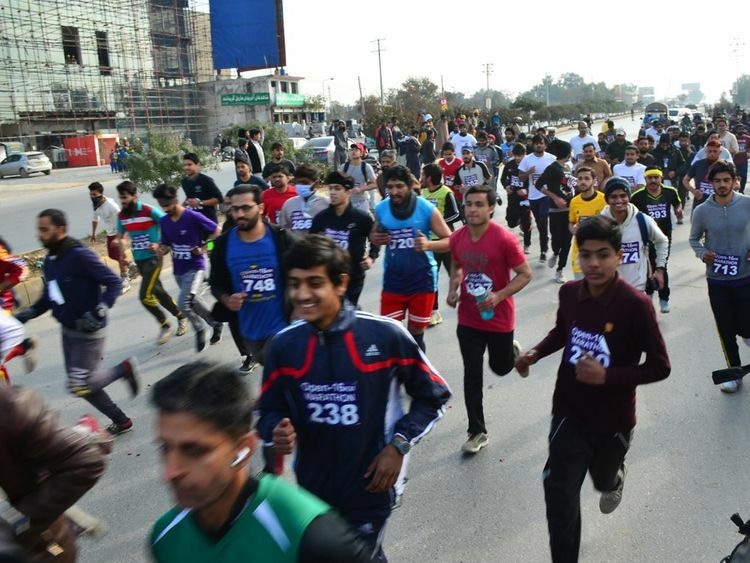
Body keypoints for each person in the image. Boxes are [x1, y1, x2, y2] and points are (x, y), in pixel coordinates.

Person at [257, 235, 451, 560]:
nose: (302, 294)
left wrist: (398, 446)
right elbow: (268, 410)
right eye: (294, 284)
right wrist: (275, 428)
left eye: (314, 283)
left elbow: (434, 397)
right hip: (312, 489)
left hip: (373, 486)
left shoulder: (384, 335)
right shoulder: (282, 347)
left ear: (341, 283)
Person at [514, 215, 671, 563]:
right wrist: (536, 353)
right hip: (568, 409)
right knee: (559, 494)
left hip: (612, 418)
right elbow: (563, 332)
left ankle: (614, 477)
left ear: (618, 256)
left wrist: (607, 377)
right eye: (586, 255)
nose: (594, 263)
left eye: (603, 254)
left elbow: (661, 366)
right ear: (578, 256)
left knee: (601, 481)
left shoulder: (635, 305)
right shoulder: (569, 293)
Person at [150, 361, 372, 562]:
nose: (170, 472)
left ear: (243, 449)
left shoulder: (311, 538)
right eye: (165, 447)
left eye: (195, 451)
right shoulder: (165, 538)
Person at [15, 209, 140, 435]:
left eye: (45, 229)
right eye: (39, 230)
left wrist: (101, 310)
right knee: (82, 385)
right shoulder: (50, 260)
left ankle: (124, 369)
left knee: (80, 384)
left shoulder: (80, 255)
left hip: (90, 329)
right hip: (68, 331)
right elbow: (50, 296)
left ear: (60, 230)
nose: (39, 235)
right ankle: (121, 421)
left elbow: (113, 282)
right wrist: (29, 312)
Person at [447, 185, 532, 454]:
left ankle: (511, 352)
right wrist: (452, 288)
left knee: (500, 367)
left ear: (491, 207)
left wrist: (498, 296)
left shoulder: (504, 239)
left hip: (498, 318)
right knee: (472, 373)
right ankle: (477, 431)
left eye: (479, 204)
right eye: (468, 204)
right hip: (469, 319)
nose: (472, 209)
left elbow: (524, 274)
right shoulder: (458, 237)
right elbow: (456, 263)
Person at [0, 384, 108, 562]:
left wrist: (14, 524)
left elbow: (85, 461)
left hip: (34, 552)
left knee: (81, 380)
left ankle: (86, 431)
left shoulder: (9, 405)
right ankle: (85, 431)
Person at [209, 184, 293, 368]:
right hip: (249, 333)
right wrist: (227, 299)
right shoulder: (223, 245)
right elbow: (216, 282)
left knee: (283, 375)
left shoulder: (281, 238)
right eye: (235, 209)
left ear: (261, 208)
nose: (239, 214)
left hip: (283, 328)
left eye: (246, 208)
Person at [370, 165, 452, 352]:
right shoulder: (382, 208)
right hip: (393, 281)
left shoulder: (426, 208)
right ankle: (396, 375)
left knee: (415, 336)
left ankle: (418, 375)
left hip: (422, 281)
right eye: (390, 187)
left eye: (399, 186)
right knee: (391, 333)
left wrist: (429, 245)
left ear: (408, 186)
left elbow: (450, 241)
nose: (394, 191)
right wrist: (375, 238)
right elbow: (374, 234)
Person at [689, 160, 750, 393]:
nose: (722, 185)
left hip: (746, 277)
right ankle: (734, 374)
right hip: (718, 280)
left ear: (735, 181)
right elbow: (694, 239)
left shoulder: (746, 204)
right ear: (710, 183)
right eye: (717, 181)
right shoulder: (702, 211)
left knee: (746, 327)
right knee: (725, 329)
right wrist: (703, 254)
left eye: (727, 180)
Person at [153, 184, 223, 352]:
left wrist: (206, 248)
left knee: (184, 303)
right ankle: (215, 323)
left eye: (168, 204)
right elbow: (167, 245)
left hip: (195, 266)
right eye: (162, 205)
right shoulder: (164, 221)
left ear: (176, 200)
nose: (166, 208)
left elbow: (217, 231)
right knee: (194, 301)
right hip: (179, 270)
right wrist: (160, 249)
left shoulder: (193, 217)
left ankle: (199, 329)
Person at [115, 181, 185, 345]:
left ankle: (164, 324)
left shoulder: (148, 210)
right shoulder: (122, 216)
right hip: (139, 259)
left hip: (154, 258)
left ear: (134, 196)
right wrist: (122, 255)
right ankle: (181, 316)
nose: (123, 201)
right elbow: (120, 237)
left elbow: (168, 222)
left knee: (144, 296)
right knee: (158, 292)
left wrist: (160, 243)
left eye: (125, 197)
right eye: (121, 198)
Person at [310, 171, 378, 306]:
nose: (333, 192)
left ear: (348, 191)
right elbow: (311, 244)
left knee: (347, 311)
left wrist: (371, 257)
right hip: (328, 276)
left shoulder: (361, 218)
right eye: (331, 188)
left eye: (337, 188)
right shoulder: (321, 218)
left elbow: (375, 238)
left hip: (354, 276)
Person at [600, 178, 668, 292]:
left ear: (628, 197)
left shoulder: (643, 221)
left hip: (638, 289)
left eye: (623, 195)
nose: (619, 200)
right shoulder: (599, 224)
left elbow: (662, 241)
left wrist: (660, 269)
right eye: (613, 196)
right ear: (607, 199)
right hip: (608, 290)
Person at [630, 167, 682, 313]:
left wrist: (679, 210)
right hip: (645, 237)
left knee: (661, 266)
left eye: (656, 177)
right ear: (645, 179)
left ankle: (664, 298)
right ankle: (649, 294)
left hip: (664, 236)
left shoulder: (670, 192)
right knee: (647, 267)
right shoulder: (637, 196)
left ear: (661, 178)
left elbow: (677, 202)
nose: (653, 180)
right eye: (650, 178)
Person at [420, 163, 460, 326]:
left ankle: (475, 302)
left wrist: (439, 222)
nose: (421, 178)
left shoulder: (446, 192)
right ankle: (434, 312)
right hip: (431, 244)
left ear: (429, 177)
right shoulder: (422, 193)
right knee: (431, 278)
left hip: (448, 242)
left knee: (457, 276)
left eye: (423, 175)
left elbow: (457, 214)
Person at [537, 139, 575, 284]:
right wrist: (555, 198)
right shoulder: (552, 168)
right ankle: (555, 252)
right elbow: (538, 184)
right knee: (556, 239)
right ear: (565, 152)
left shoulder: (568, 167)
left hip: (570, 210)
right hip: (555, 210)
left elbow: (570, 186)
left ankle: (560, 270)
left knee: (567, 241)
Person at [88, 181, 131, 293]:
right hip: (110, 233)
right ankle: (131, 266)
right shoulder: (96, 206)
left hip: (118, 233)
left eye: (95, 195)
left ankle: (125, 280)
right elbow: (95, 219)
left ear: (101, 194)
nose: (92, 197)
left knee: (120, 256)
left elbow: (122, 218)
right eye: (91, 195)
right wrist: (93, 234)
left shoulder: (111, 205)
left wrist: (120, 237)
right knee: (112, 255)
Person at [519, 134, 556, 262]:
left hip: (546, 195)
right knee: (540, 224)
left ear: (545, 145)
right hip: (534, 197)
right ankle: (544, 239)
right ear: (532, 145)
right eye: (536, 143)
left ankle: (543, 251)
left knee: (543, 221)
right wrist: (529, 172)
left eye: (541, 143)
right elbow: (520, 177)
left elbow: (560, 174)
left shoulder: (551, 158)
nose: (539, 145)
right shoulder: (527, 159)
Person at [568, 166, 606, 280]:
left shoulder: (604, 200)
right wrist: (573, 229)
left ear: (594, 181)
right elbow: (571, 222)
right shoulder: (574, 201)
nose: (583, 182)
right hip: (580, 253)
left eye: (586, 178)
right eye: (580, 179)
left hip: (599, 253)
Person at [279, 164, 329, 235]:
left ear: (316, 183)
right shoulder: (289, 204)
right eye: (298, 182)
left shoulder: (326, 203)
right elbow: (283, 229)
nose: (300, 185)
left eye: (305, 182)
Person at [501, 143, 532, 253]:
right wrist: (506, 186)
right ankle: (521, 222)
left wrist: (526, 190)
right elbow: (503, 178)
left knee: (526, 222)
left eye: (521, 155)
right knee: (511, 222)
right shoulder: (509, 165)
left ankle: (527, 244)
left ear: (525, 154)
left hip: (525, 198)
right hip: (513, 196)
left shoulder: (530, 166)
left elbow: (536, 182)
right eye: (516, 155)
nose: (518, 158)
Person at [683, 139, 724, 213]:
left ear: (720, 152)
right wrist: (693, 191)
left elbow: (735, 183)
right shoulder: (698, 164)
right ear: (706, 151)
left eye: (715, 151)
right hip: (700, 203)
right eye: (710, 151)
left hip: (719, 204)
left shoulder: (725, 166)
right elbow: (685, 180)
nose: (712, 154)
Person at [181, 153, 223, 224]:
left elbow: (219, 199)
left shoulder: (206, 180)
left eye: (189, 165)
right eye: (184, 165)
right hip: (194, 223)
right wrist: (182, 206)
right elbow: (189, 197)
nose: (186, 167)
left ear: (198, 165)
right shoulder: (184, 182)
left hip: (209, 222)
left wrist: (200, 203)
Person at [340, 143, 377, 215]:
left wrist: (361, 189)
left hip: (361, 202)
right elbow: (337, 182)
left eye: (356, 150)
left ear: (361, 153)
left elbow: (375, 184)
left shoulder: (366, 167)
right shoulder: (343, 167)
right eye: (351, 150)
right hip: (346, 203)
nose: (353, 152)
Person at [732, 123, 750, 193]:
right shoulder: (733, 137)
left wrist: (748, 152)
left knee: (743, 176)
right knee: (734, 175)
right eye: (739, 129)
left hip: (743, 160)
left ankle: (741, 190)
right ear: (736, 130)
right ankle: (733, 190)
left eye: (742, 129)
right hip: (734, 160)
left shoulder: (748, 138)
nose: (741, 130)